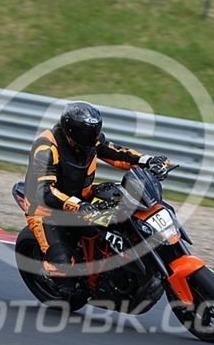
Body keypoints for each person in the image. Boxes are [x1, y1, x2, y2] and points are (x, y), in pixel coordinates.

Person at [23, 100, 170, 278]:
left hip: (83, 197)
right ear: (70, 130)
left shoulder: (92, 141)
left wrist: (147, 160)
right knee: (61, 267)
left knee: (126, 210)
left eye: (94, 132)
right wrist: (79, 206)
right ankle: (55, 275)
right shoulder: (46, 147)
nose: (91, 138)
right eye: (84, 134)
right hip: (46, 211)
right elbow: (45, 192)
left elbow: (119, 154)